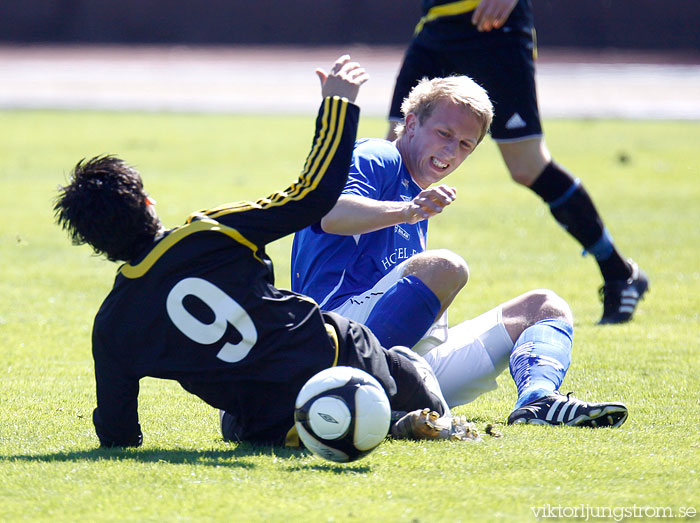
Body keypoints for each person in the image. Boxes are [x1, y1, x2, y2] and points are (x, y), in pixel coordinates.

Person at [53, 55, 477, 448]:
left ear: (94, 245)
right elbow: (312, 197)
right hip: (338, 353)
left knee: (280, 419)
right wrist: (338, 106)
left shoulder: (113, 325)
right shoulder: (210, 233)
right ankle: (404, 417)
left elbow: (118, 432)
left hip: (262, 420)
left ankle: (381, 421)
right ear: (148, 203)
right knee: (410, 380)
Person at [291, 74, 628, 427]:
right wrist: (406, 211)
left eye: (466, 144)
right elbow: (331, 213)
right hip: (333, 343)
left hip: (402, 363)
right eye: (444, 134)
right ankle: (350, 395)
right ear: (410, 123)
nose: (452, 152)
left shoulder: (415, 191)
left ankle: (537, 401)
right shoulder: (381, 155)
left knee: (544, 307)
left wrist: (411, 210)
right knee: (445, 266)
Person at [385, 0, 648, 325]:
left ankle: (619, 273)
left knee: (527, 166)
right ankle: (372, 285)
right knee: (397, 156)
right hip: (437, 23)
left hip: (496, 25)